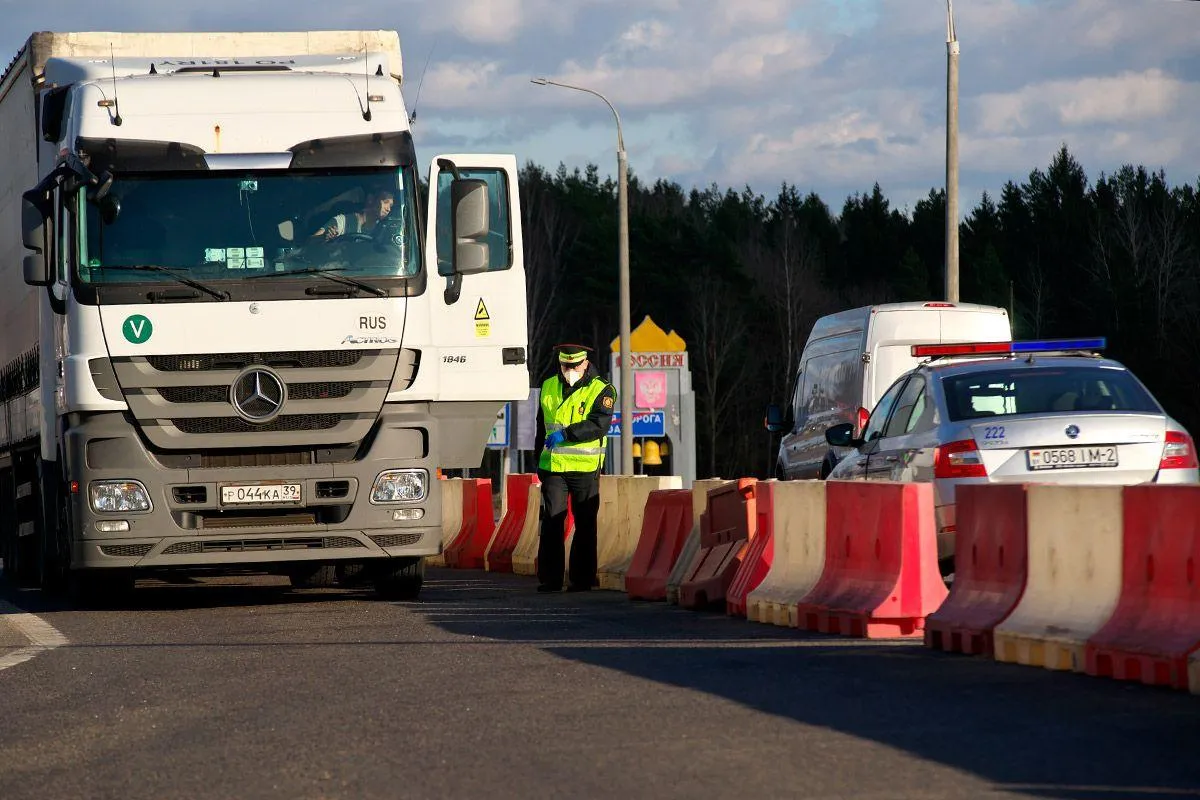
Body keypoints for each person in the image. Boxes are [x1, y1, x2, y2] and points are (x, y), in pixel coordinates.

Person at [535, 343, 618, 593]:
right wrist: (538, 461)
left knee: (584, 523)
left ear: (585, 364)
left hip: (585, 466)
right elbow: (541, 426)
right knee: (552, 521)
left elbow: (599, 424)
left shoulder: (602, 389)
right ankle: (550, 579)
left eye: (573, 365)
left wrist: (567, 434)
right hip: (553, 466)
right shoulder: (548, 385)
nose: (569, 370)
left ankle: (582, 579)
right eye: (564, 366)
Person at [310, 189, 395, 241]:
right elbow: (310, 241)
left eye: (391, 206)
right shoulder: (343, 222)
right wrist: (324, 237)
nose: (388, 209)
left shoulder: (383, 230)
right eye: (385, 202)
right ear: (371, 200)